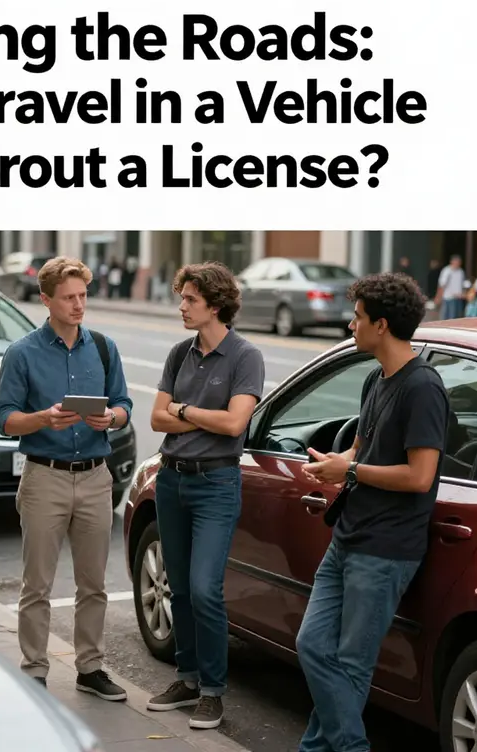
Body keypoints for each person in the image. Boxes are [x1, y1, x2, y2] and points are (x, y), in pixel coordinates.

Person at [296, 272, 449, 752]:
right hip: (349, 535)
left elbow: (419, 475)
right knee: (312, 646)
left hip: (386, 549)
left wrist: (353, 471)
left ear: (381, 325)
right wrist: (337, 466)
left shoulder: (423, 388)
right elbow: (360, 453)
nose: (350, 326)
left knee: (351, 664)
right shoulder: (374, 379)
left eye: (358, 318)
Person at [0, 256, 133, 699]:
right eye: (69, 297)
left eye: (83, 296)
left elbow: (126, 405)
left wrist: (111, 418)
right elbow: (5, 420)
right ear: (46, 300)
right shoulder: (22, 353)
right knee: (37, 584)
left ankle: (90, 668)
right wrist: (42, 419)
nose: (78, 305)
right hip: (44, 477)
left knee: (94, 584)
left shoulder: (105, 348)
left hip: (95, 477)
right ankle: (33, 669)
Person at [146, 262, 265, 730]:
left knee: (204, 589)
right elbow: (157, 418)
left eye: (190, 300)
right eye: (182, 298)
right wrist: (200, 414)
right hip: (172, 479)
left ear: (215, 305)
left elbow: (236, 424)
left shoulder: (244, 356)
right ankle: (188, 678)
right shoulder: (180, 353)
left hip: (216, 483)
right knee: (179, 588)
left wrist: (183, 410)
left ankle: (213, 691)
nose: (182, 306)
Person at [435, 254, 467, 320]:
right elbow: (442, 285)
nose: (457, 264)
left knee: (457, 317)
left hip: (458, 298)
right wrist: (438, 297)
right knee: (448, 317)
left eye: (459, 262)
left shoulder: (461, 272)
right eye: (456, 262)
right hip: (448, 298)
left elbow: (463, 284)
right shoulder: (446, 271)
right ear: (452, 262)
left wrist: (463, 293)